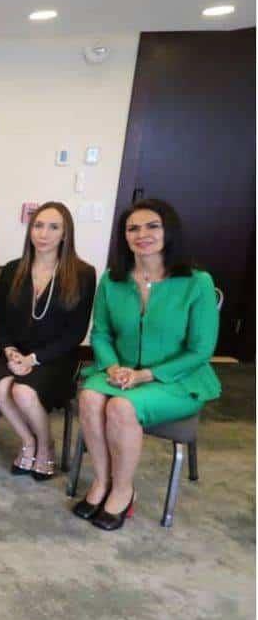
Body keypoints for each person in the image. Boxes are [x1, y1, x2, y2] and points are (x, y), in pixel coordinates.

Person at [74, 199, 220, 531]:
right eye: (133, 228)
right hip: (121, 372)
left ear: (169, 231)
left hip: (176, 379)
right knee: (90, 397)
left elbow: (201, 350)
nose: (142, 234)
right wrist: (112, 367)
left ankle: (123, 492)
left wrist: (146, 375)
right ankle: (102, 481)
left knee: (121, 407)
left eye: (152, 226)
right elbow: (101, 333)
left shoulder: (197, 282)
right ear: (124, 236)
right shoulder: (112, 280)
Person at [0, 202, 95, 480]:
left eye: (53, 227)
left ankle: (46, 446)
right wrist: (10, 351)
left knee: (23, 391)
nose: (44, 234)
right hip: (13, 350)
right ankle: (28, 441)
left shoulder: (83, 273)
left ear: (65, 234)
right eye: (38, 226)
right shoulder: (13, 269)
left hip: (54, 356)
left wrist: (33, 359)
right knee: (0, 386)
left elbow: (76, 332)